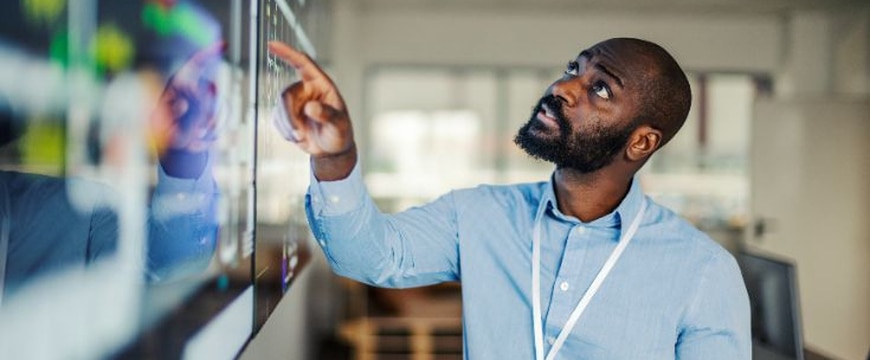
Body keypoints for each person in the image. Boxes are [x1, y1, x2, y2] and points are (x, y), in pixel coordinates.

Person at [269, 37, 750, 359]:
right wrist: (337, 157)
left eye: (599, 88)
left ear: (642, 142)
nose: (562, 88)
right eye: (572, 70)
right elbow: (368, 256)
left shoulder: (704, 273)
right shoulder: (479, 215)